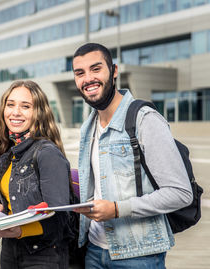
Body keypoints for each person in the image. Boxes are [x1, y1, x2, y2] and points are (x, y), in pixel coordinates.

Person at [72, 43, 193, 268]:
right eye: (80, 73)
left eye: (96, 69)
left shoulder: (144, 119)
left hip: (139, 255)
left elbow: (180, 193)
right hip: (94, 251)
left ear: (114, 71)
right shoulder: (88, 127)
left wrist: (117, 209)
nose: (88, 78)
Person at [0, 80, 71, 269]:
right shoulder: (7, 155)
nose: (15, 112)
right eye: (10, 104)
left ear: (38, 113)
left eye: (25, 106)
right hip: (11, 251)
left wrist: (19, 230)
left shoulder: (46, 153)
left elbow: (61, 217)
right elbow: (15, 206)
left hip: (43, 255)